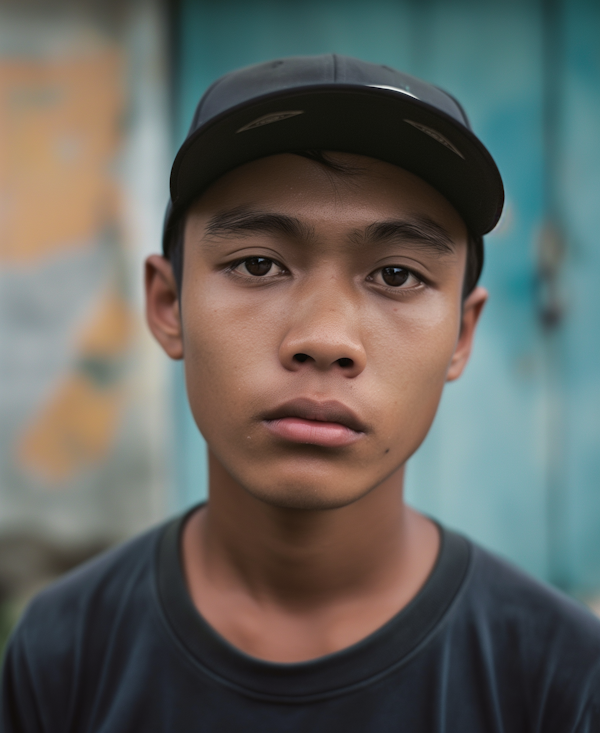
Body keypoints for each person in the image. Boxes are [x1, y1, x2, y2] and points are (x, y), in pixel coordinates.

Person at [2, 54, 599, 732]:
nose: (324, 336)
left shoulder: (563, 679)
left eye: (398, 275)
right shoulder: (63, 650)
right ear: (170, 305)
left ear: (461, 335)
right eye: (258, 263)